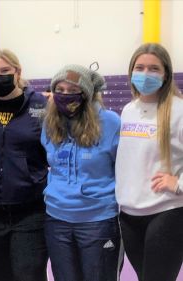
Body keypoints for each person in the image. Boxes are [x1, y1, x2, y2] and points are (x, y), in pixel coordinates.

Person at [0, 49, 48, 281]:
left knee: (30, 273)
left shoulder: (40, 105)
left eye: (5, 71)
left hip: (29, 210)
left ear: (18, 72)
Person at [41, 64, 122, 281]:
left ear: (86, 93)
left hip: (98, 220)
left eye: (72, 90)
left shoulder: (111, 123)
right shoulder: (49, 123)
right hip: (57, 219)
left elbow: (122, 168)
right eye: (60, 90)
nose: (65, 95)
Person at [116, 43, 183, 281]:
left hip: (166, 212)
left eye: (154, 68)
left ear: (165, 74)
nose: (146, 74)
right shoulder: (128, 110)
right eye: (140, 67)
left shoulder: (178, 110)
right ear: (131, 72)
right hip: (129, 214)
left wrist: (178, 183)